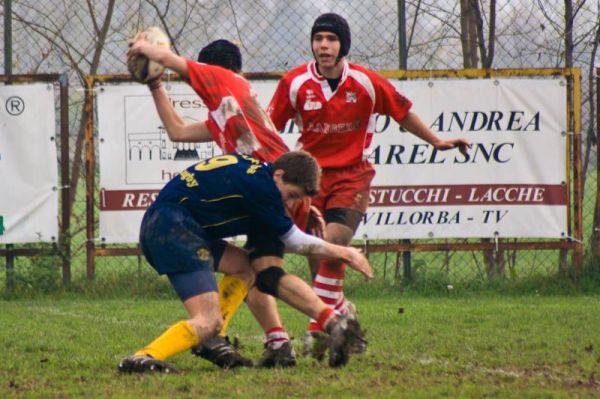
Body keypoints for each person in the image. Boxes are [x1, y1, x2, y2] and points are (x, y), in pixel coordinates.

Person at [266, 12, 471, 357]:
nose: (324, 46)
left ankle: (319, 332)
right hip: (311, 180)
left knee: (334, 242)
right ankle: (344, 314)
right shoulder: (296, 82)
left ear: (343, 45)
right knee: (319, 257)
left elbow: (402, 112)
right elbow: (270, 128)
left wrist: (436, 142)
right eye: (319, 39)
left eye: (331, 40)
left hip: (352, 176)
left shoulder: (365, 82)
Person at [139, 38, 317, 369]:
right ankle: (275, 339)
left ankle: (332, 318)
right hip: (271, 192)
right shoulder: (226, 113)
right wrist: (155, 87)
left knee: (267, 271)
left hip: (272, 194)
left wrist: (152, 53)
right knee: (250, 267)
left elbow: (186, 67)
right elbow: (177, 132)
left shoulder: (230, 83)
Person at [117, 150, 372, 373]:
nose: (291, 203)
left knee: (247, 268)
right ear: (279, 175)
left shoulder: (258, 173)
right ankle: (143, 357)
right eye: (292, 195)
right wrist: (344, 252)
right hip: (173, 229)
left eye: (298, 200)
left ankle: (214, 339)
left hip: (176, 224)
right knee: (208, 320)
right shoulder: (264, 189)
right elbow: (294, 241)